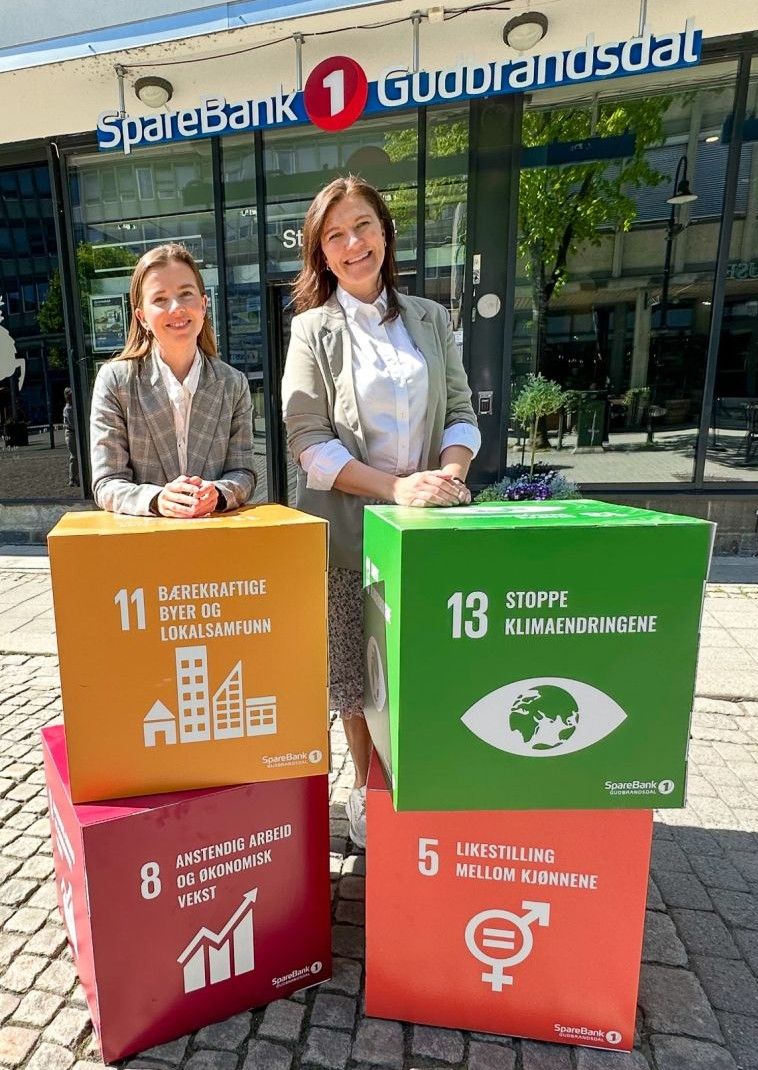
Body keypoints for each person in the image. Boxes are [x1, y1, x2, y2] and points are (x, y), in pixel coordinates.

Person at [282, 176, 480, 847]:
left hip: (424, 531)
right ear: (322, 253)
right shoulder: (312, 330)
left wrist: (449, 475)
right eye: (335, 235)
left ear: (386, 233)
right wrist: (395, 489)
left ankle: (423, 779)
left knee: (421, 664)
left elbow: (460, 411)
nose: (352, 243)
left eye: (362, 225)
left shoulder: (430, 319)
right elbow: (308, 441)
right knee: (355, 675)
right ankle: (367, 787)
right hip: (347, 531)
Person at [90, 243, 256, 517]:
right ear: (142, 317)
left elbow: (243, 473)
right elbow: (106, 483)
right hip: (147, 539)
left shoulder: (233, 384)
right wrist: (157, 499)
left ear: (203, 304)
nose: (177, 308)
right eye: (160, 299)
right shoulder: (116, 382)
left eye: (186, 294)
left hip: (215, 535)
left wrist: (217, 493)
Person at [63, 387, 79, 487]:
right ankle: (72, 478)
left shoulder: (74, 407)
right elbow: (72, 424)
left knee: (77, 456)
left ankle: (76, 477)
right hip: (71, 433)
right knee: (74, 456)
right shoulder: (68, 409)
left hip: (74, 432)